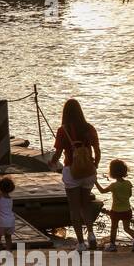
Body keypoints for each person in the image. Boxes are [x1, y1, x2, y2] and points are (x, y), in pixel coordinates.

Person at [48, 98, 101, 251]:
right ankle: (91, 235)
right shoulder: (89, 128)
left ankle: (81, 243)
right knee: (86, 205)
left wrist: (51, 162)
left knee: (74, 208)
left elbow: (58, 153)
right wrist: (95, 165)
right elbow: (97, 150)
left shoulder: (62, 130)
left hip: (72, 171)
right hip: (89, 172)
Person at [96, 159, 134, 252]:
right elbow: (130, 195)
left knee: (113, 228)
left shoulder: (113, 186)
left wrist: (95, 182)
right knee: (127, 228)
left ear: (112, 173)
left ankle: (112, 245)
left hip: (116, 211)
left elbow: (102, 191)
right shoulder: (128, 183)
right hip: (127, 210)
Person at [0, 176, 16, 252]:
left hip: (1, 222)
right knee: (8, 237)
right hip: (11, 221)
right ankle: (9, 250)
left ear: (0, 187)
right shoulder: (10, 198)